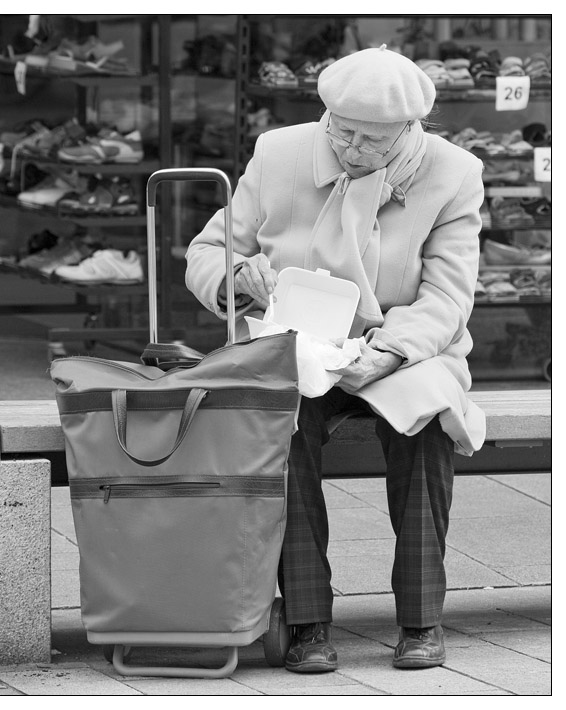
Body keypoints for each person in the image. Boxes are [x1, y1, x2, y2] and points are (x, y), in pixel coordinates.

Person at [185, 44, 486, 673]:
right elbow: (209, 249)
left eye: (374, 141)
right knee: (279, 431)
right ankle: (307, 622)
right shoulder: (280, 151)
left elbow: (447, 295)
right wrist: (242, 276)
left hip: (400, 346)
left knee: (427, 425)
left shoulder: (453, 172)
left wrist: (388, 352)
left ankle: (423, 620)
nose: (353, 150)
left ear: (412, 129)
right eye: (343, 133)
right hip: (296, 342)